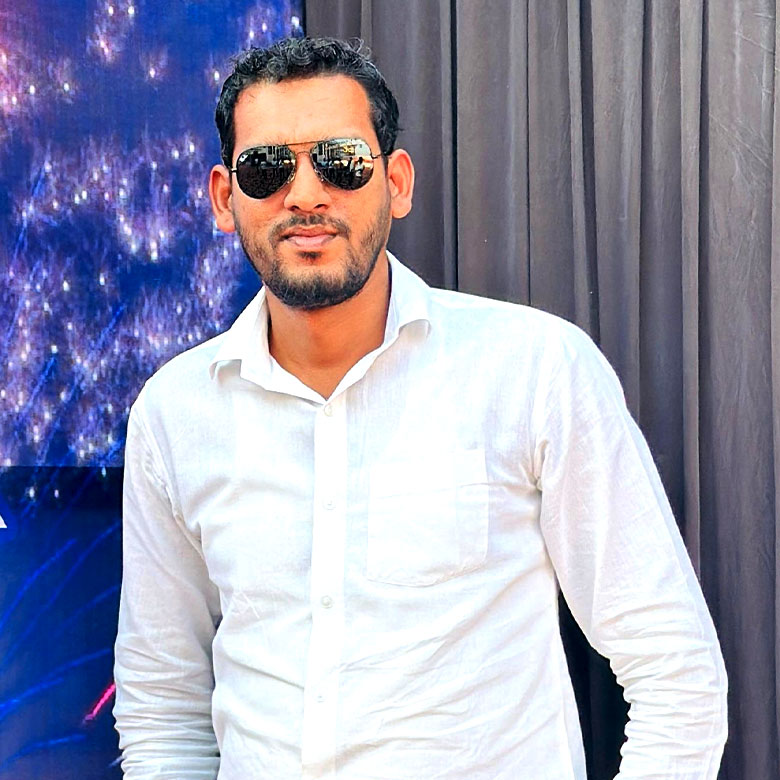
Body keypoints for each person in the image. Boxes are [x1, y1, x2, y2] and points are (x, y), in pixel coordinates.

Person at [113, 36, 727, 779]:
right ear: (224, 197)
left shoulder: (532, 369)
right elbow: (163, 704)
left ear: (396, 183)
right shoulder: (175, 414)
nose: (305, 194)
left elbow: (674, 667)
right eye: (268, 167)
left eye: (341, 162)